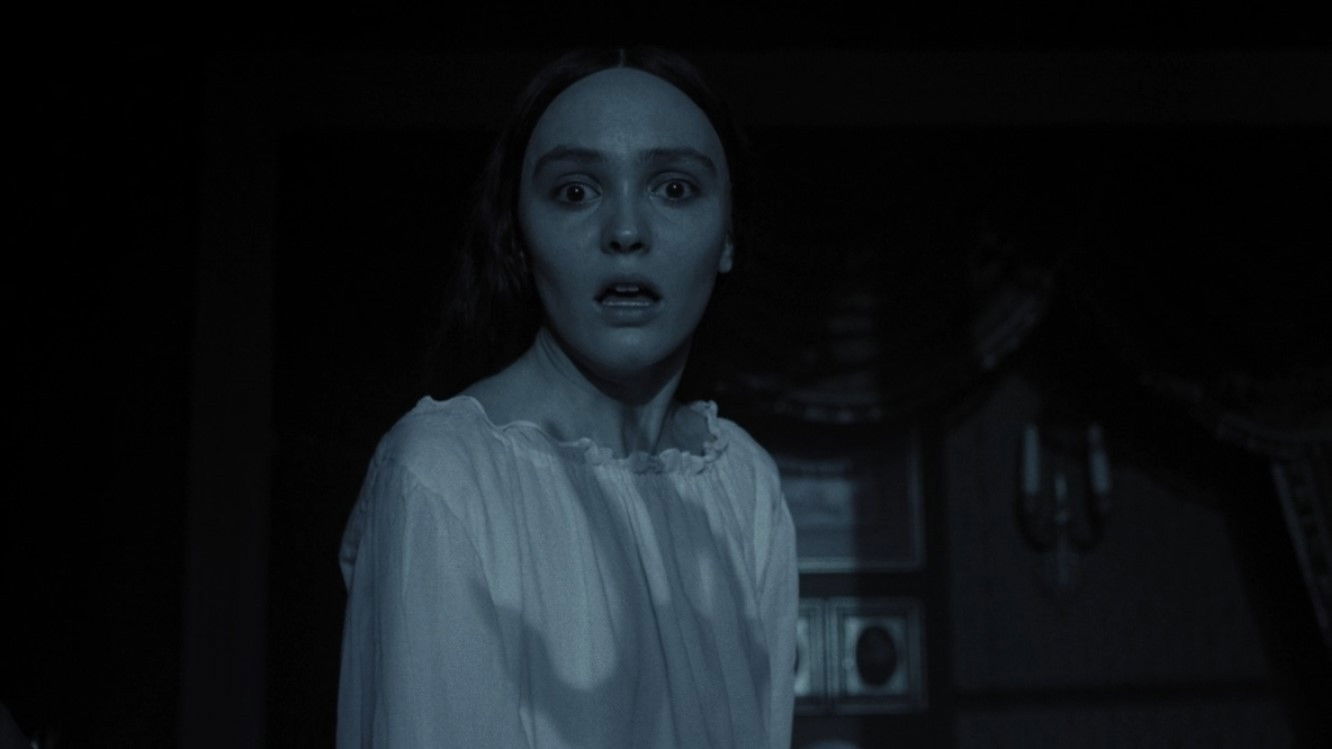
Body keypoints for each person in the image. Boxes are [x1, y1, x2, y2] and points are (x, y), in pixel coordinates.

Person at [336, 47, 798, 748]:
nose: (626, 232)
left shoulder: (744, 484)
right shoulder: (443, 475)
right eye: (576, 192)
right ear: (519, 239)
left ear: (728, 236)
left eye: (674, 188)